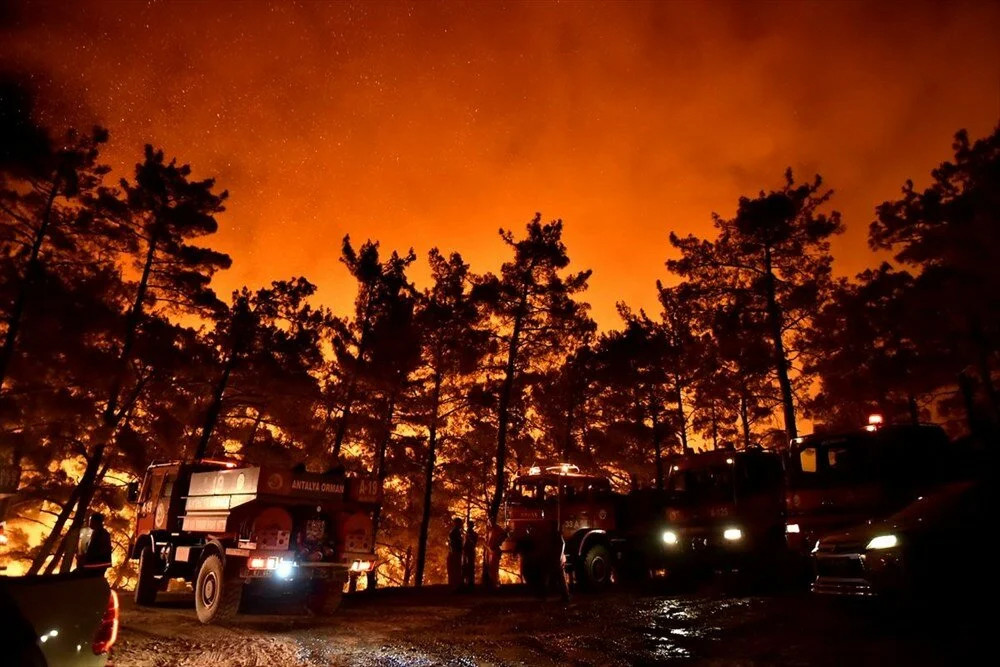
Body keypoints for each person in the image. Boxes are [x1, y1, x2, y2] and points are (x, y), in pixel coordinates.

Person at [447, 517, 463, 590]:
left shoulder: (456, 531)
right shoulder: (455, 532)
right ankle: (455, 585)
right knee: (455, 568)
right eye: (460, 523)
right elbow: (455, 543)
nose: (462, 524)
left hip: (455, 552)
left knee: (456, 568)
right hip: (455, 552)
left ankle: (454, 585)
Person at [462, 519, 478, 589]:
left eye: (470, 525)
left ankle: (470, 582)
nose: (468, 527)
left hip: (470, 551)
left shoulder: (473, 534)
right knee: (466, 566)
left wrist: (469, 538)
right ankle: (467, 582)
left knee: (470, 566)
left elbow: (473, 543)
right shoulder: (468, 533)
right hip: (467, 551)